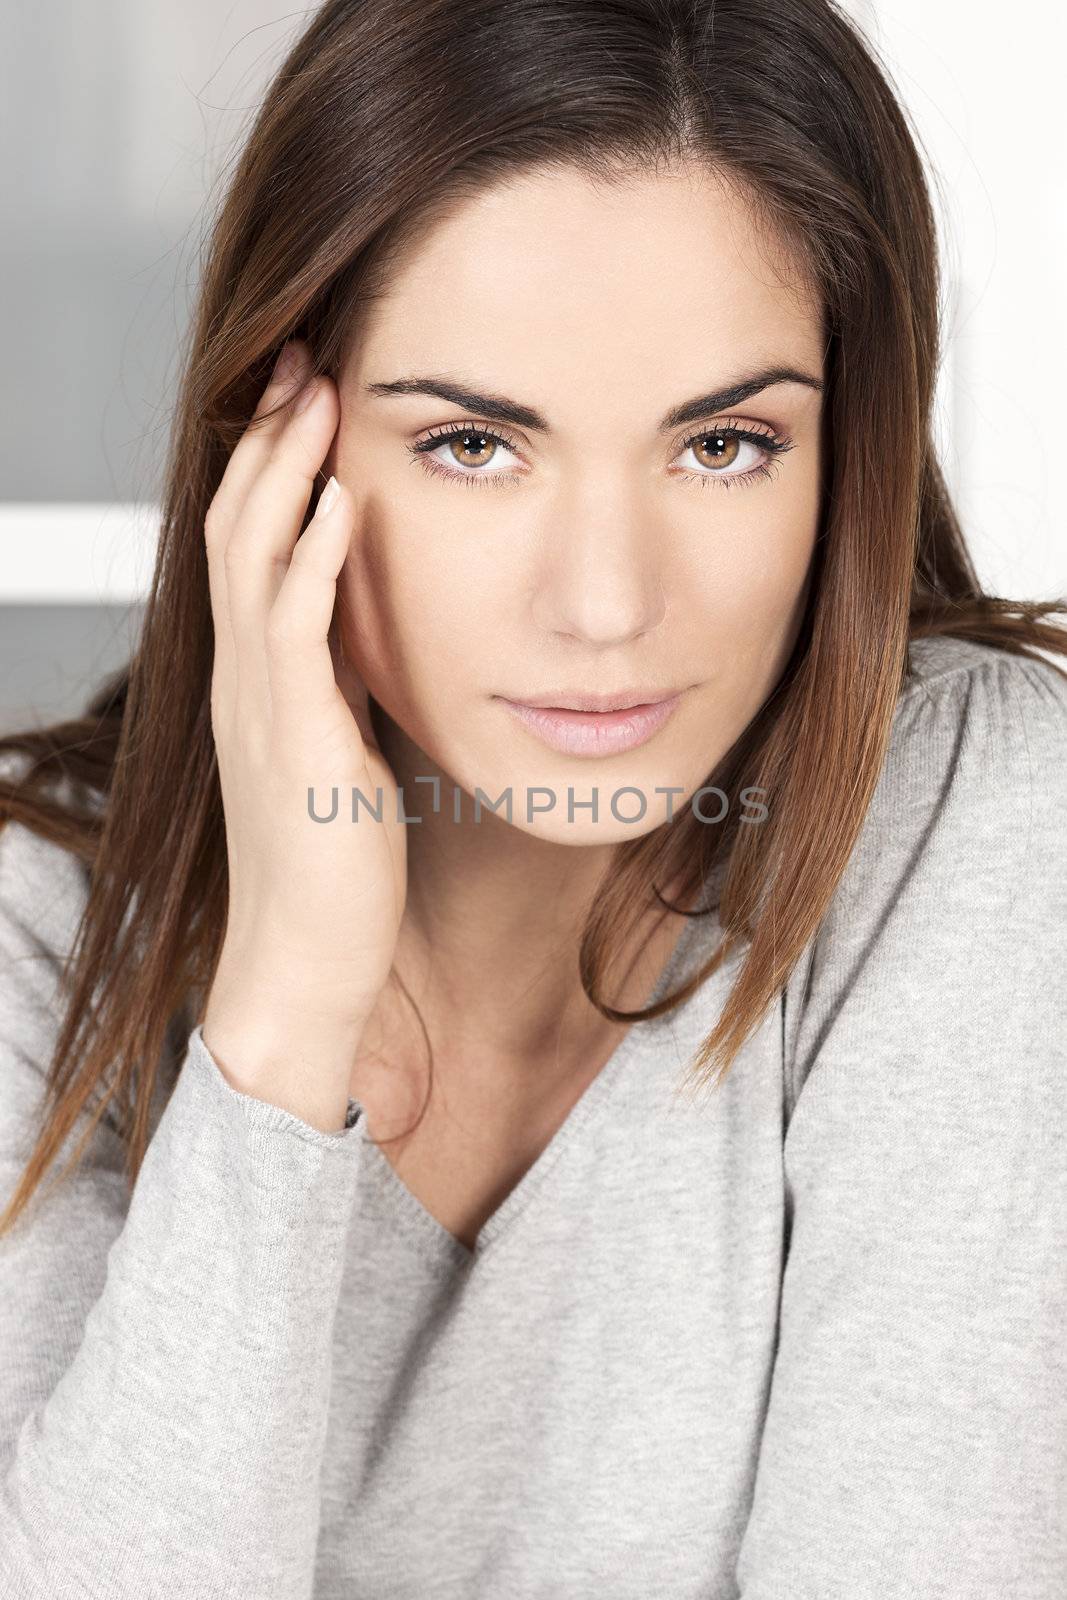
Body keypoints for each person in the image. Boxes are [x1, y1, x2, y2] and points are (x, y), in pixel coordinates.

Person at [1, 1, 1065, 1594]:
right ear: (276, 458)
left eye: (722, 443)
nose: (608, 605)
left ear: (847, 453)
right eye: (474, 444)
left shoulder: (955, 809)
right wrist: (286, 1008)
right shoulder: (37, 928)